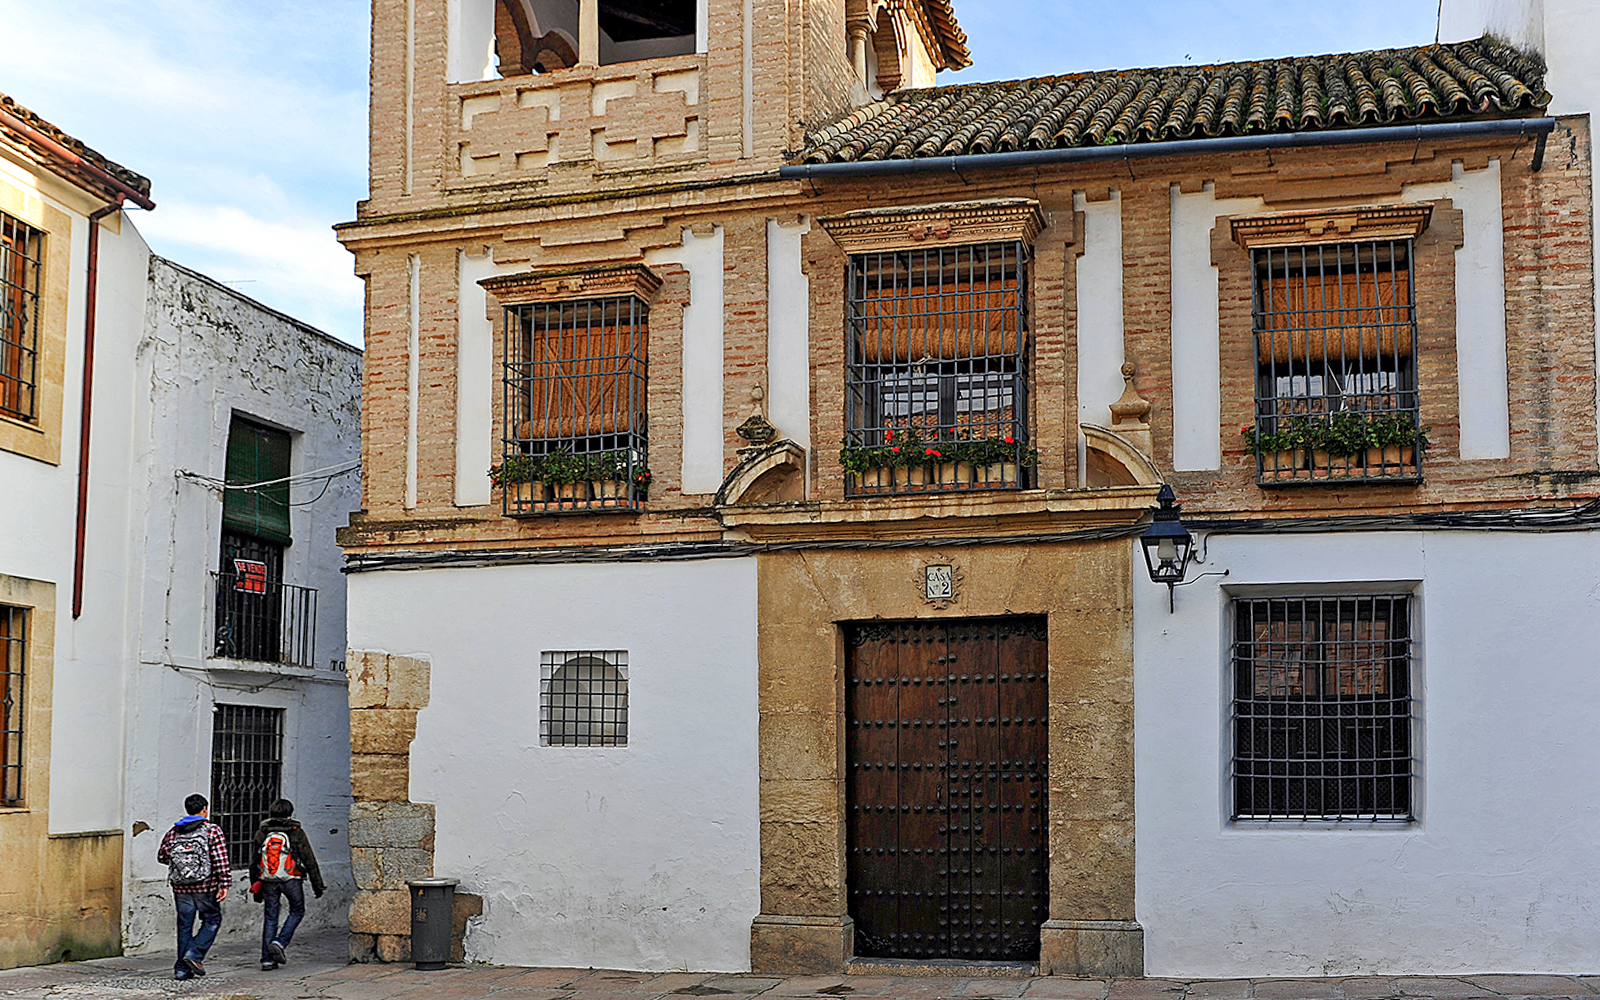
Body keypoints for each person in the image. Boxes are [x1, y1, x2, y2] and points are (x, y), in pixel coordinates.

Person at [155, 793, 231, 980]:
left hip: (180, 888)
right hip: (205, 887)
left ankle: (182, 970)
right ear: (204, 809)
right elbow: (220, 859)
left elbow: (162, 856)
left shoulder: (174, 831)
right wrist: (225, 883)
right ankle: (194, 954)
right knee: (212, 920)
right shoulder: (211, 830)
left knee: (184, 926)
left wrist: (183, 867)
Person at [248, 798, 325, 971]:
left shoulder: (262, 832)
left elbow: (254, 861)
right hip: (291, 879)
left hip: (268, 880)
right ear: (290, 814)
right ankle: (280, 942)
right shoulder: (296, 832)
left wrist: (255, 887)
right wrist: (317, 885)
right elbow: (309, 859)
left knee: (270, 918)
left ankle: (267, 960)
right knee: (297, 911)